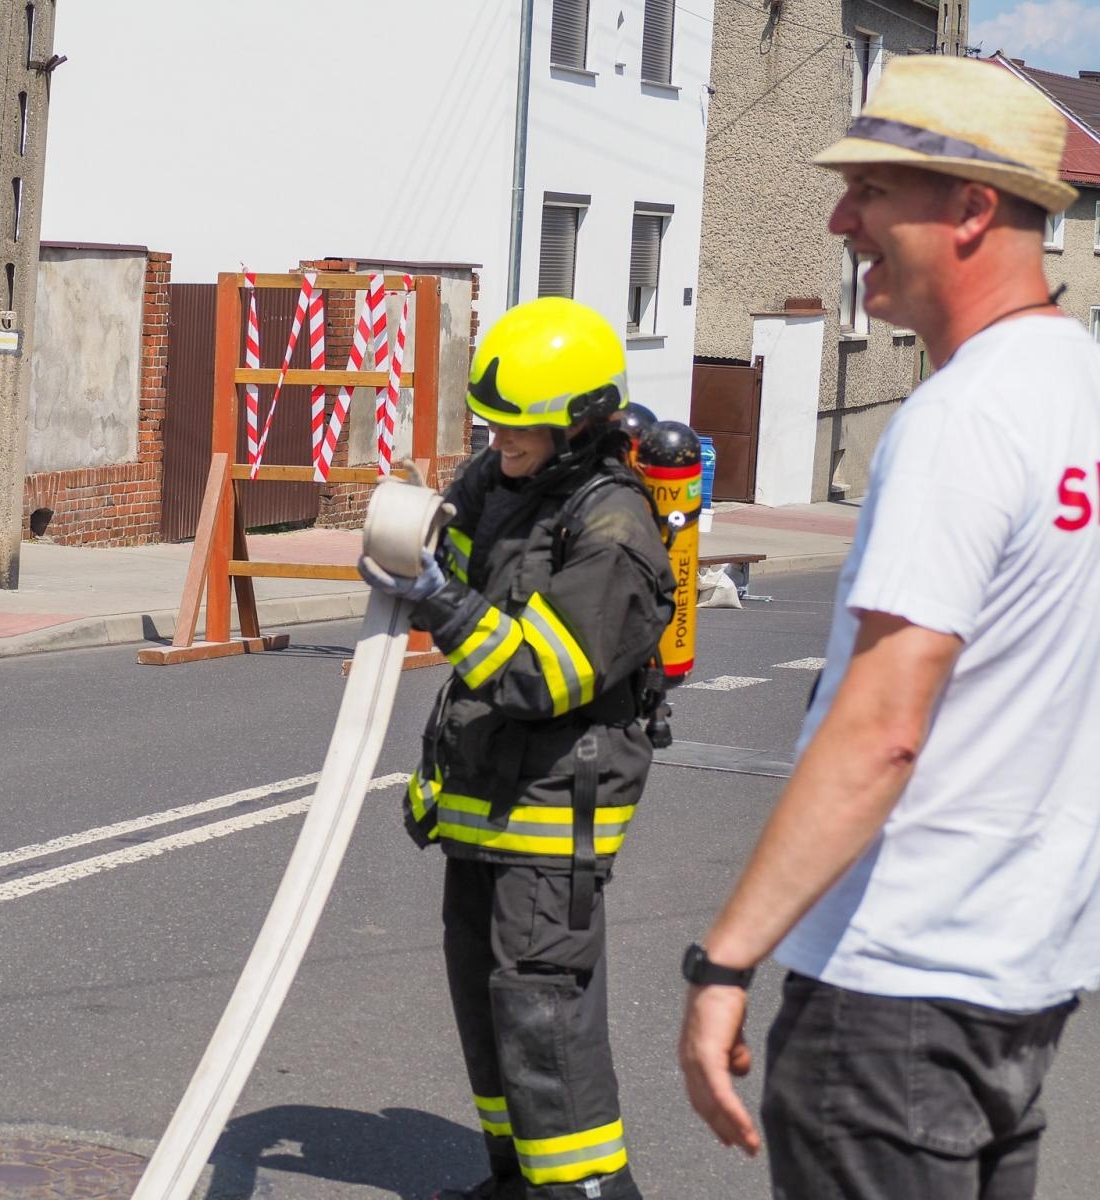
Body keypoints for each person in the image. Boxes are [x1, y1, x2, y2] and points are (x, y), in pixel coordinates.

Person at [677, 56, 1100, 1200]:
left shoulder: (962, 418)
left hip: (891, 995)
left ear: (972, 209)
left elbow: (878, 731)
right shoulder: (1080, 391)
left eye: (871, 188)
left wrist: (724, 961)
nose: (838, 217)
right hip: (1021, 983)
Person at [360, 297, 676, 1200]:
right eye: (494, 425)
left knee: (542, 1009)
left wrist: (441, 604)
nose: (501, 441)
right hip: (486, 794)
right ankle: (518, 1177)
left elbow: (548, 672)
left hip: (553, 803)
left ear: (576, 426)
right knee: (486, 1001)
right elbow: (448, 548)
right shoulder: (503, 484)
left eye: (520, 429)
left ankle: (581, 1189)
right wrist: (407, 554)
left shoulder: (613, 528)